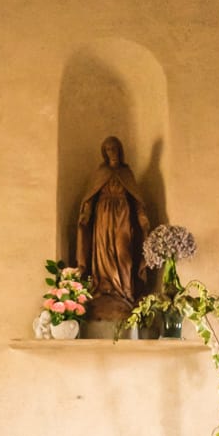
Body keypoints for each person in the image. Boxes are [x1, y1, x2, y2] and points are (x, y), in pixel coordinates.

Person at [76, 137, 151, 322]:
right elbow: (90, 197)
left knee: (122, 252)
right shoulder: (100, 172)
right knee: (103, 251)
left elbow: (136, 200)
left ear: (120, 150)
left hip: (122, 216)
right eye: (108, 149)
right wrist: (85, 214)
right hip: (102, 216)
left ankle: (125, 290)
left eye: (115, 148)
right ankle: (103, 287)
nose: (112, 152)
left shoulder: (127, 173)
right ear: (104, 153)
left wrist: (142, 218)